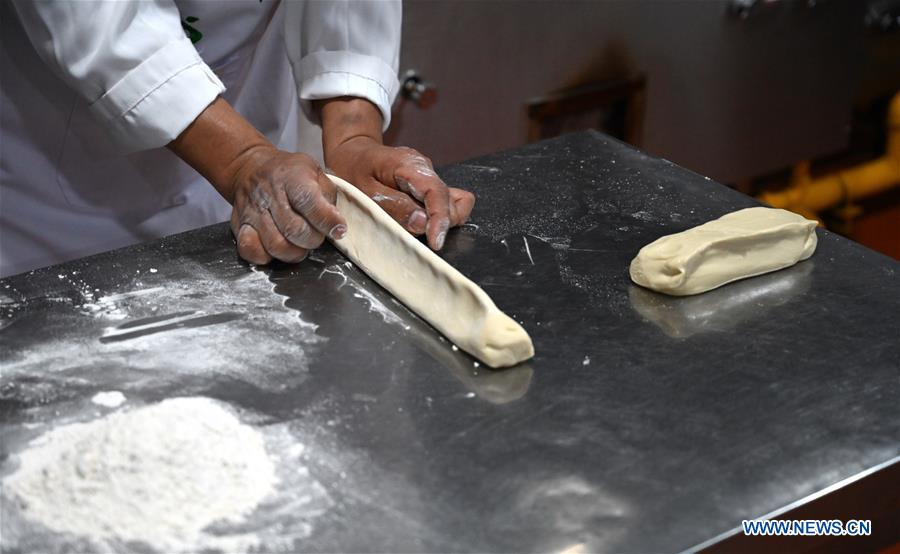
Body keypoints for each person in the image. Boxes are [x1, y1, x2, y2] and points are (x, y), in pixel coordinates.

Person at [0, 0, 475, 278]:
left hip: (251, 151)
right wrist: (243, 159)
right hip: (50, 199)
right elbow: (98, 22)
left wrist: (354, 135)